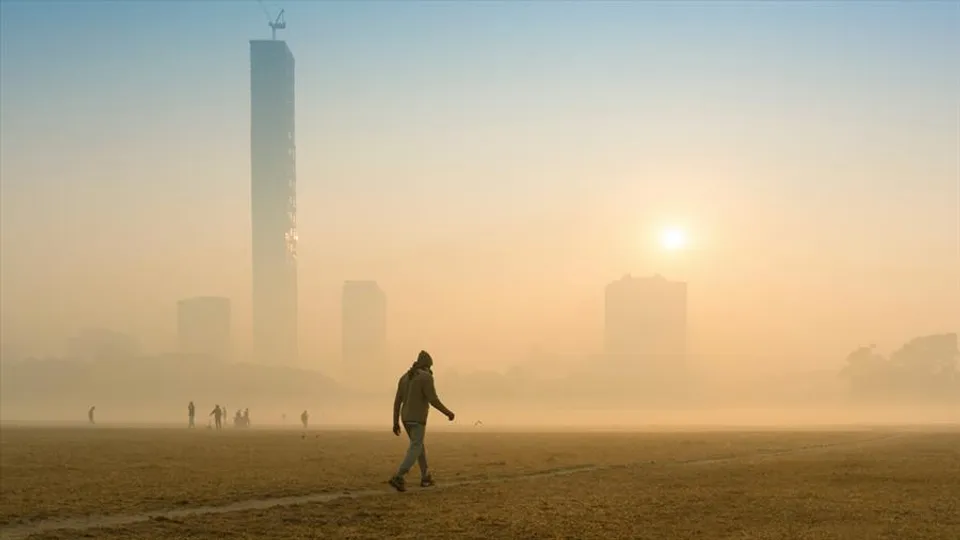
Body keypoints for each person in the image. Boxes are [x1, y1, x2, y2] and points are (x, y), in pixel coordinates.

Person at [388, 350, 455, 492]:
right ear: (427, 365)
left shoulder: (404, 377)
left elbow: (397, 402)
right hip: (417, 418)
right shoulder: (426, 377)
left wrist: (395, 422)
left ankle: (426, 476)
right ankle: (399, 476)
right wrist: (448, 413)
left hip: (405, 418)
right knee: (416, 446)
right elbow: (433, 400)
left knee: (419, 446)